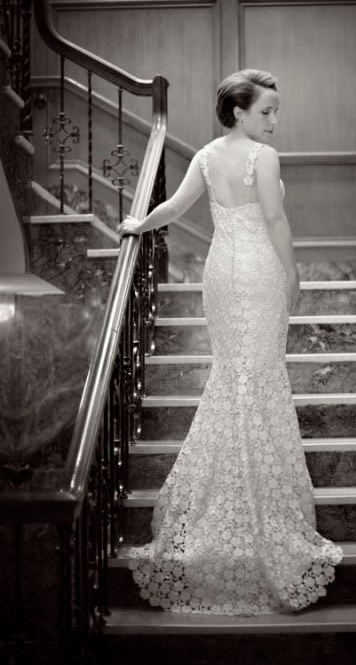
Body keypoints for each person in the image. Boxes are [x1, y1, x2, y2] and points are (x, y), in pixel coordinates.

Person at [118, 68, 343, 615]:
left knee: (234, 378)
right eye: (266, 111)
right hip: (259, 272)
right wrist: (293, 274)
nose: (274, 121)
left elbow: (174, 209)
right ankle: (255, 507)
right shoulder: (262, 157)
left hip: (221, 274)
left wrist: (137, 225)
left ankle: (228, 498)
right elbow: (275, 218)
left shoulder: (204, 156)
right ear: (238, 112)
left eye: (275, 111)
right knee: (256, 378)